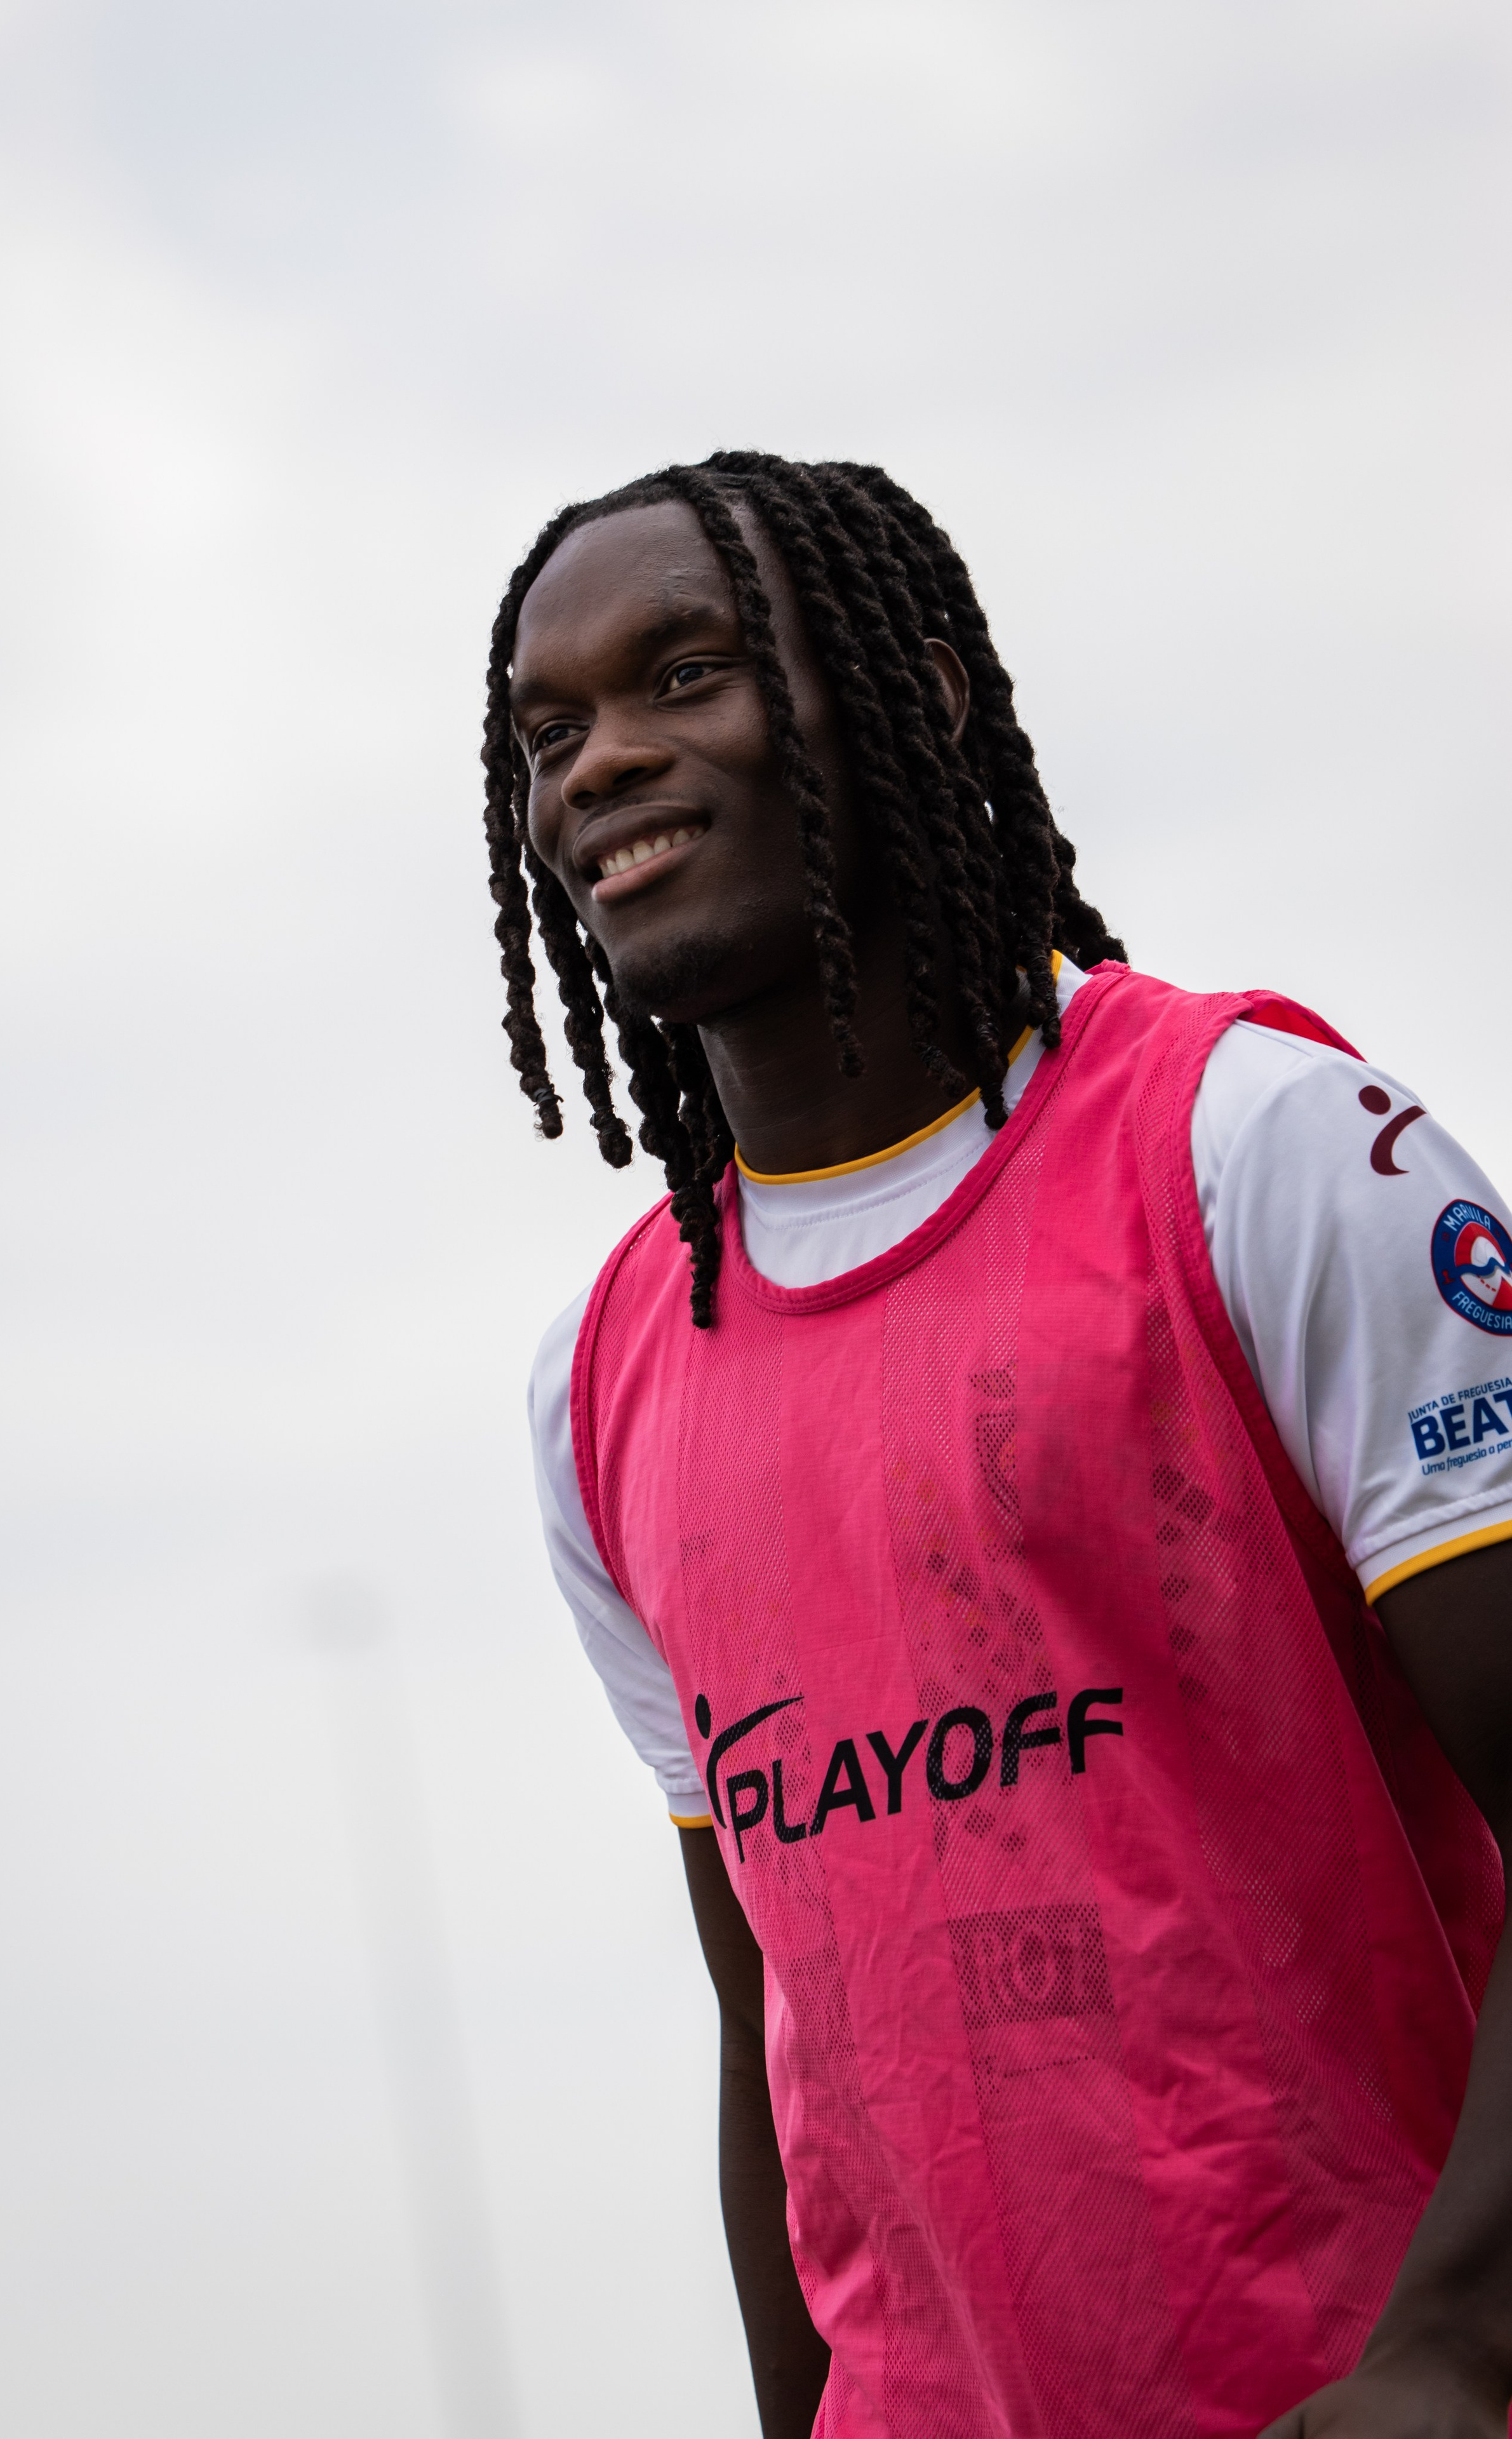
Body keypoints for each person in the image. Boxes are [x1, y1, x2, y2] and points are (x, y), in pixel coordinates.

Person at [485, 452, 1512, 2439]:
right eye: (551, 730)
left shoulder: (1263, 1146)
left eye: (683, 674)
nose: (599, 763)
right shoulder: (603, 1371)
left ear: (916, 696)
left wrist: (1456, 2350)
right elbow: (768, 2024)